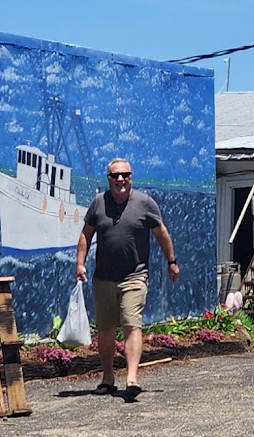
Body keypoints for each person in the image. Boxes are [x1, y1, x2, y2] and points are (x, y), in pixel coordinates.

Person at [75, 158, 179, 401]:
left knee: (132, 324)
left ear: (131, 177)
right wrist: (80, 263)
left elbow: (161, 232)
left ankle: (132, 378)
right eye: (115, 175)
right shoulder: (98, 203)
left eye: (125, 175)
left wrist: (171, 261)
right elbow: (86, 234)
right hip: (103, 277)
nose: (120, 179)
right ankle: (108, 378)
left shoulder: (145, 204)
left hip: (135, 276)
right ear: (108, 179)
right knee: (106, 329)